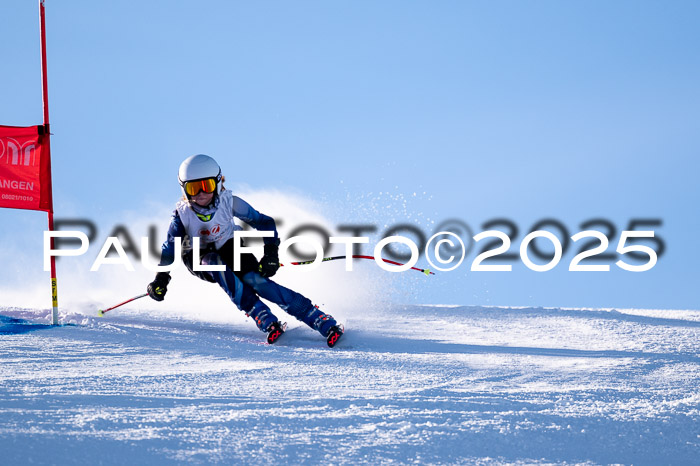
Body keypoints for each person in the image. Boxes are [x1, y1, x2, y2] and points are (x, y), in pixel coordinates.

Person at [146, 154, 344, 347]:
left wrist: (271, 253)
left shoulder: (229, 202)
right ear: (184, 189)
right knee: (216, 264)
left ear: (218, 182)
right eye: (193, 188)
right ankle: (261, 314)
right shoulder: (182, 215)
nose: (201, 194)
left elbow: (264, 222)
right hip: (198, 255)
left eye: (206, 186)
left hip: (230, 245)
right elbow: (170, 248)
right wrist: (161, 279)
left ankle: (317, 317)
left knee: (255, 280)